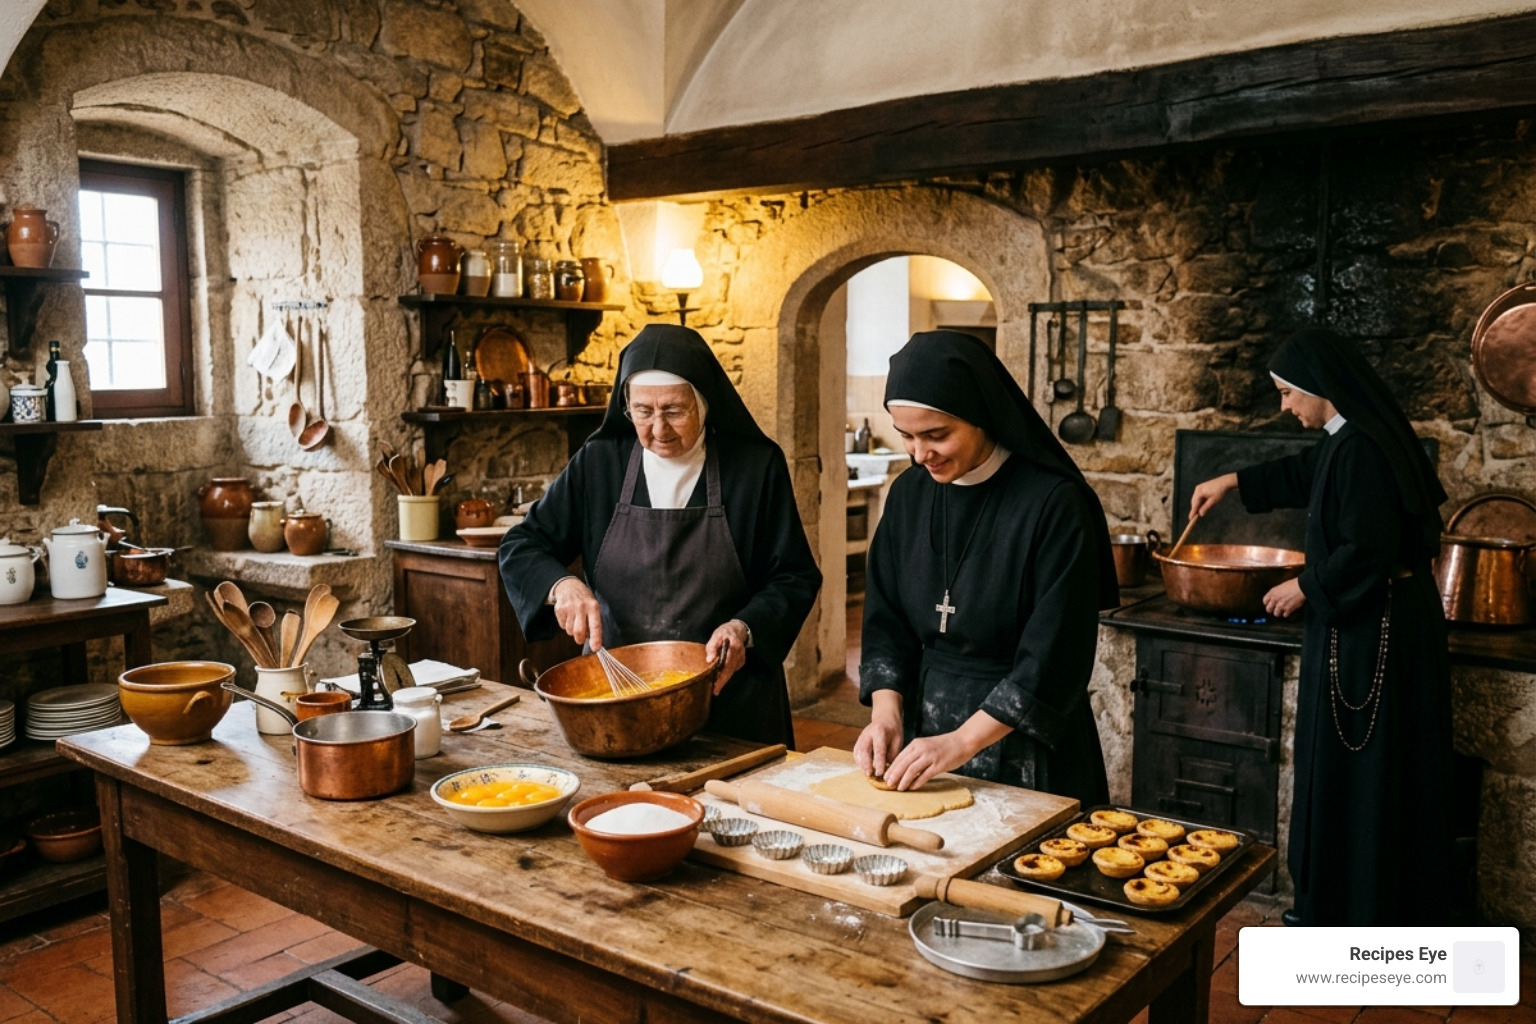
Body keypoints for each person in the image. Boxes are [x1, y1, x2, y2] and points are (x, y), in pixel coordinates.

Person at [1188, 327, 1454, 927]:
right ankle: (1337, 904)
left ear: (1321, 389)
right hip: (1370, 624)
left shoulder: (1361, 447)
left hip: (1378, 630)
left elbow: (1370, 547)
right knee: (1353, 770)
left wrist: (1305, 585)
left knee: (1368, 776)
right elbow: (1309, 472)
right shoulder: (1349, 438)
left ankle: (1360, 913)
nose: (1285, 407)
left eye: (1287, 394)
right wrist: (1231, 481)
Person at [498, 324, 822, 747]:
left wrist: (744, 627)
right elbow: (522, 545)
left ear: (704, 403)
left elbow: (793, 576)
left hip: (729, 696)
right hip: (617, 697)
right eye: (643, 412)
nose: (658, 429)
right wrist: (561, 585)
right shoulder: (600, 462)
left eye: (674, 411)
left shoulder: (755, 467)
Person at [854, 330, 1118, 802]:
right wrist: (886, 713)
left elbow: (1054, 656)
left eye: (936, 435)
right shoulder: (908, 494)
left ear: (982, 415)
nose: (919, 454)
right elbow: (885, 620)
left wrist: (961, 742)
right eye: (907, 436)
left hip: (1028, 739)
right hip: (925, 730)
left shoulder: (1055, 504)